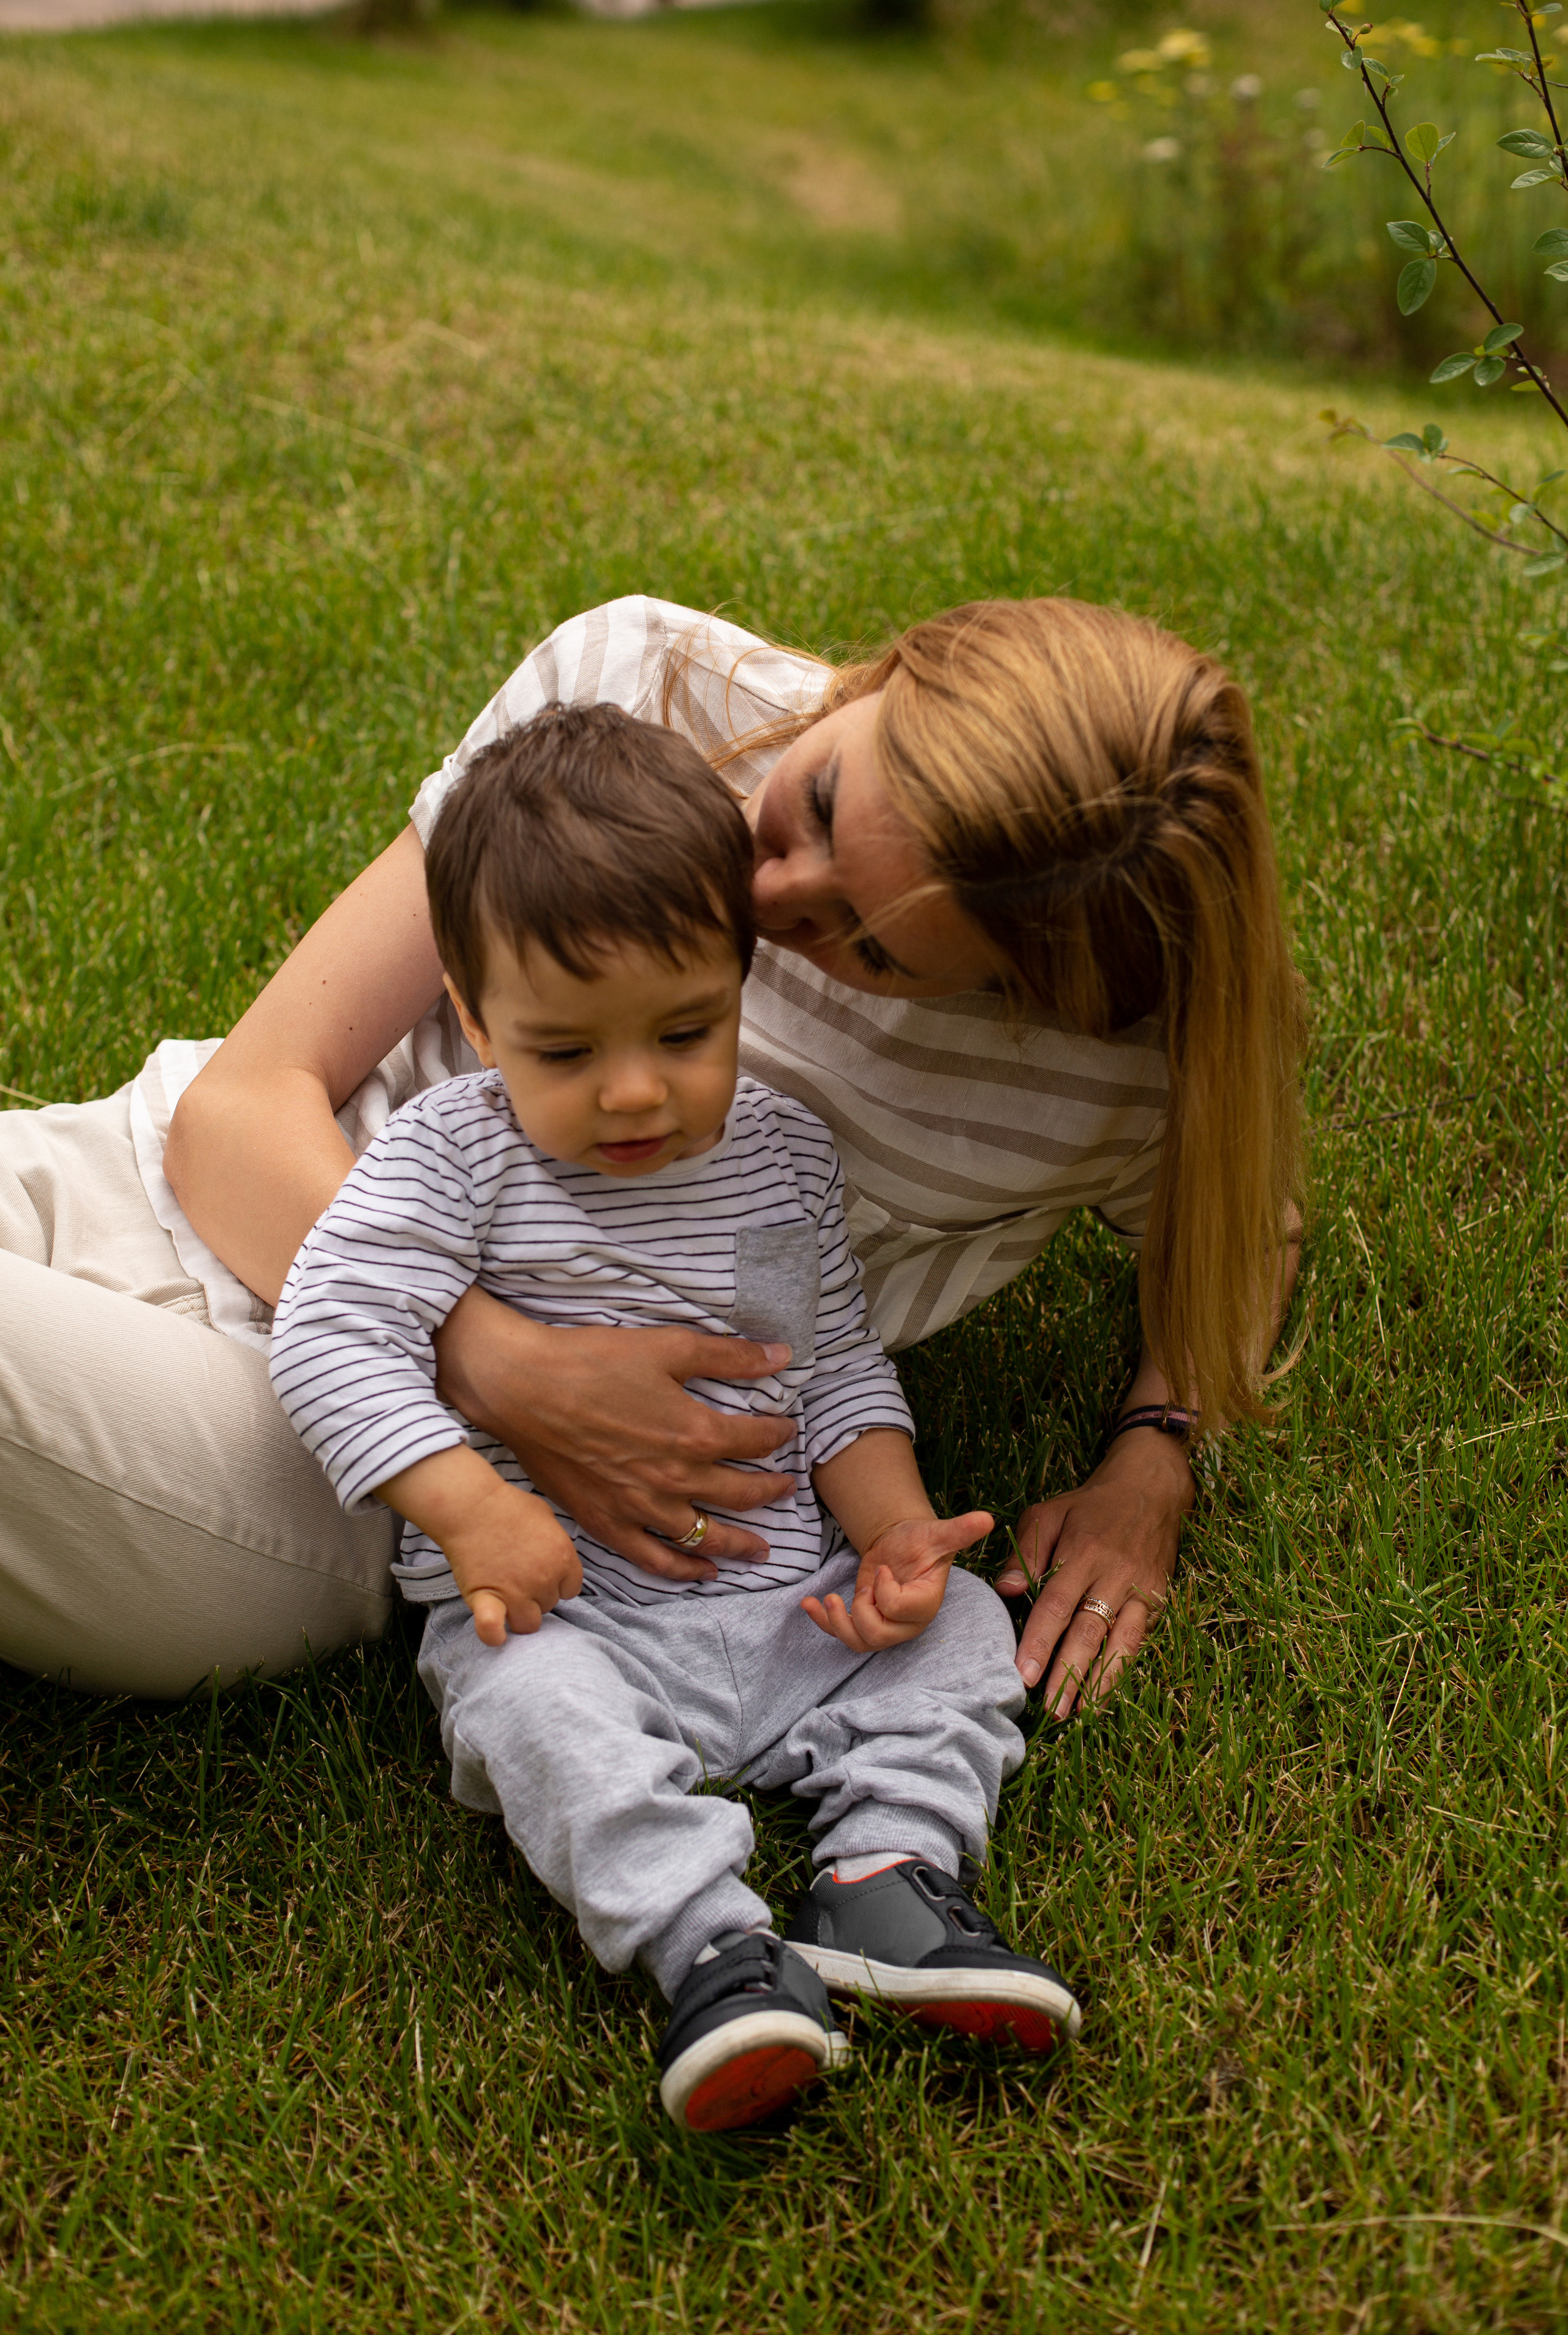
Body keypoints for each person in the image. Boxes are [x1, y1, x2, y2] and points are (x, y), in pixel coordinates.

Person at [0, 592, 1303, 1704]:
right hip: (136, 1171)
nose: (767, 896)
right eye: (825, 799)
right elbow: (243, 1108)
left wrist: (1153, 1448)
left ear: (1026, 989)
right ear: (901, 665)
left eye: (874, 945)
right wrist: (510, 1364)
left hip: (344, 1462)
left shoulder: (1109, 1079)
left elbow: (1246, 1232)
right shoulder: (642, 687)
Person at [270, 704, 1081, 2133]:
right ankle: (707, 1946)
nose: (635, 1088)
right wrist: (471, 1508)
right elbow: (331, 1330)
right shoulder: (451, 1156)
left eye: (684, 1030)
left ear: (739, 979)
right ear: (472, 1016)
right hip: (567, 1610)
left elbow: (821, 1366)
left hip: (792, 1606)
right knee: (535, 1713)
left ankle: (889, 1882)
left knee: (957, 1631)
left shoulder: (776, 1157)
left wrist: (890, 1538)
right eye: (566, 1050)